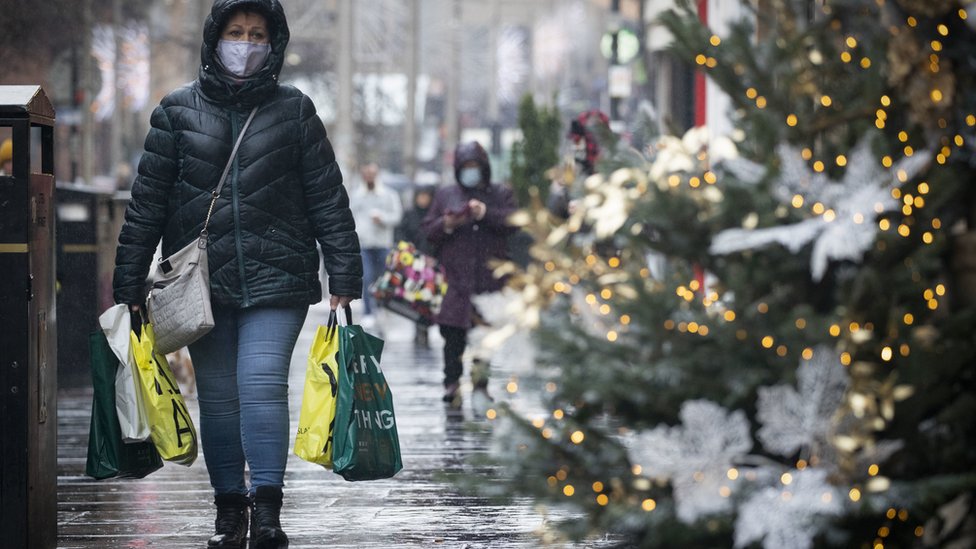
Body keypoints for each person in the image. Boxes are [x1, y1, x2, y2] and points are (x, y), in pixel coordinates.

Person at [111, 1, 362, 547]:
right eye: (235, 32)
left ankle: (267, 512)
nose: (245, 44)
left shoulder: (295, 110)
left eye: (256, 34)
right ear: (214, 39)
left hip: (280, 277)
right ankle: (229, 512)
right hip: (202, 286)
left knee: (261, 385)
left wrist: (345, 272)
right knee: (219, 399)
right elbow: (147, 204)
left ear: (273, 44)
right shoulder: (175, 112)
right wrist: (128, 283)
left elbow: (327, 199)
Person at [422, 141, 517, 404]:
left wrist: (486, 214)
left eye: (475, 166)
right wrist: (448, 223)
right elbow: (429, 230)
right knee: (452, 337)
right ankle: (451, 383)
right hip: (454, 281)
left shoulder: (499, 193)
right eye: (466, 167)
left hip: (487, 282)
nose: (471, 172)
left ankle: (480, 385)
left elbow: (513, 222)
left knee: (484, 338)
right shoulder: (446, 195)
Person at [350, 162, 403, 325]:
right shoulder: (356, 195)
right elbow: (349, 216)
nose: (369, 177)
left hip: (382, 244)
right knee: (367, 278)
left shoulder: (389, 194)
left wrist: (383, 219)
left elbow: (397, 216)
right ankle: (368, 311)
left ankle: (381, 307)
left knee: (383, 279)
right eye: (366, 174)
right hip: (363, 244)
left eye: (372, 174)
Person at [394, 184, 436, 346]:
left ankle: (424, 326)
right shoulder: (410, 215)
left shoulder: (434, 215)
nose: (423, 200)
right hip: (413, 265)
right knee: (415, 297)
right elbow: (400, 234)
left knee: (427, 298)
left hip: (431, 265)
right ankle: (418, 326)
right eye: (421, 196)